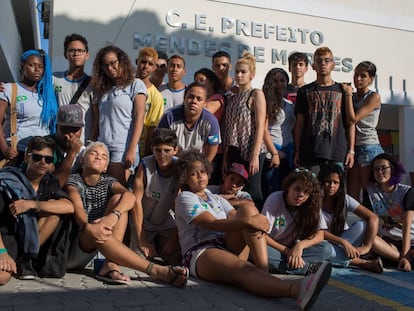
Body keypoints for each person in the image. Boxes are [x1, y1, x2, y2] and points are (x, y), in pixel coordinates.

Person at [175, 150, 332, 311]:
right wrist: (250, 221)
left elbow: (237, 216)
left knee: (248, 209)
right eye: (193, 174)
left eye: (202, 172)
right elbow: (214, 223)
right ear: (185, 178)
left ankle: (264, 272)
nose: (200, 176)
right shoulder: (185, 197)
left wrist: (252, 218)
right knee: (243, 269)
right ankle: (296, 290)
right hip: (201, 251)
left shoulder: (213, 196)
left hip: (225, 243)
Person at [65, 141, 188, 286]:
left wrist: (113, 215)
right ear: (82, 161)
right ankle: (155, 270)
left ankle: (111, 263)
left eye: (104, 156)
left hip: (102, 237)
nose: (99, 157)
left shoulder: (108, 181)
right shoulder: (73, 180)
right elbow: (78, 210)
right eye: (93, 154)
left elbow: (130, 196)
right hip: (77, 244)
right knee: (93, 229)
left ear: (106, 168)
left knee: (120, 199)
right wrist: (90, 227)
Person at [0, 136, 74, 280]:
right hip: (6, 237)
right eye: (37, 157)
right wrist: (2, 252)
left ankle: (24, 260)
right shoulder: (9, 181)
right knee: (2, 278)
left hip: (30, 242)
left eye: (48, 159)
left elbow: (69, 206)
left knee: (54, 212)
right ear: (27, 157)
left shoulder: (48, 182)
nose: (42, 162)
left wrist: (32, 204)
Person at [90, 45, 146, 186]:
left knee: (118, 192)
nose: (110, 68)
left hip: (122, 149)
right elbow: (97, 120)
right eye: (105, 65)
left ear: (121, 61)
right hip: (102, 148)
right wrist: (91, 144)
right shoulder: (101, 89)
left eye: (113, 63)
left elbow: (140, 118)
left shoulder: (135, 84)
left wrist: (132, 149)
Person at [294, 47, 355, 173]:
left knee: (335, 191)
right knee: (311, 191)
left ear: (333, 64)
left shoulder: (343, 90)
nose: (323, 64)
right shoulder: (304, 91)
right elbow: (299, 124)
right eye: (319, 61)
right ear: (313, 65)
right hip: (310, 153)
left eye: (327, 60)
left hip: (337, 152)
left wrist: (351, 151)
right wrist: (297, 151)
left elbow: (350, 123)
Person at [262, 168, 332, 275]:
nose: (301, 195)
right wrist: (288, 251)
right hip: (274, 247)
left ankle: (281, 265)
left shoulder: (311, 205)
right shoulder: (275, 199)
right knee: (258, 250)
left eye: (306, 192)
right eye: (297, 189)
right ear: (288, 187)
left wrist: (300, 246)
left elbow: (320, 234)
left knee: (326, 248)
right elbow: (263, 235)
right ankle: (306, 268)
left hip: (295, 248)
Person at [318, 163, 383, 273]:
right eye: (328, 182)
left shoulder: (344, 199)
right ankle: (362, 263)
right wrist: (344, 243)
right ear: (321, 182)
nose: (331, 186)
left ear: (340, 184)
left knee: (363, 225)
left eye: (335, 182)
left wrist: (367, 246)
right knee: (325, 250)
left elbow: (373, 218)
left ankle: (343, 256)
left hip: (343, 242)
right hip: (323, 243)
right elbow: (321, 233)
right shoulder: (315, 201)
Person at [222, 52, 266, 210]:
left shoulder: (256, 94)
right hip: (235, 150)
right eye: (237, 72)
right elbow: (229, 129)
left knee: (254, 191)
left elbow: (261, 125)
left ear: (251, 75)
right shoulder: (232, 97)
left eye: (243, 72)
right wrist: (226, 156)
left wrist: (254, 155)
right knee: (234, 190)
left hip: (251, 150)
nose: (239, 75)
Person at [0, 49, 58, 166]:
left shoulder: (46, 95)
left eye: (40, 67)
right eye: (32, 65)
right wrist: (4, 148)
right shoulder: (9, 89)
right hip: (17, 152)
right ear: (22, 66)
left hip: (42, 154)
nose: (37, 70)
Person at [132, 129, 181, 265]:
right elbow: (136, 202)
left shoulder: (180, 168)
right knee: (140, 259)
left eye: (167, 150)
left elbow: (182, 206)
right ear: (152, 149)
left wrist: (175, 238)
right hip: (143, 222)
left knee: (175, 258)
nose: (162, 155)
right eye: (158, 150)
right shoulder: (145, 165)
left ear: (175, 150)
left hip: (165, 221)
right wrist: (142, 239)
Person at [364, 153, 414, 272]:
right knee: (372, 240)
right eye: (376, 169)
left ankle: (403, 259)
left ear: (393, 169)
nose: (379, 172)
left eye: (383, 168)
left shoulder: (407, 192)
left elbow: (406, 226)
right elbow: (370, 221)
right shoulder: (370, 192)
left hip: (410, 240)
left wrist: (406, 254)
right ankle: (403, 261)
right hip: (389, 243)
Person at [342, 61, 384, 201]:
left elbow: (353, 119)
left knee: (371, 194)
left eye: (363, 76)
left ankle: (377, 222)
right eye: (356, 75)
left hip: (369, 146)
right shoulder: (353, 96)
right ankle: (356, 223)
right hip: (353, 147)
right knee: (351, 195)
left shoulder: (373, 97)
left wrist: (347, 95)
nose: (358, 79)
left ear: (371, 79)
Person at [157, 82, 220, 162]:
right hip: (171, 161)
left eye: (199, 99)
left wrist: (203, 167)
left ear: (205, 103)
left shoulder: (211, 121)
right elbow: (158, 143)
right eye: (191, 97)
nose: (194, 101)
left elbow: (213, 149)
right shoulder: (169, 116)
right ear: (184, 97)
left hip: (196, 162)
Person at [53, 33, 94, 143]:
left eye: (81, 51)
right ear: (65, 54)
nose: (76, 54)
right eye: (72, 50)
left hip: (83, 143)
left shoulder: (93, 84)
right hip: (59, 141)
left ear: (87, 55)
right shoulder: (54, 79)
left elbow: (97, 116)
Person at [262, 68, 296, 198]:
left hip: (288, 152)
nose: (279, 84)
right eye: (275, 81)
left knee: (287, 193)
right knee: (272, 193)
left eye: (282, 80)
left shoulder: (289, 104)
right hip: (272, 152)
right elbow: (263, 129)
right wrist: (274, 153)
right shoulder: (266, 103)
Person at [194, 67, 225, 184]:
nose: (198, 84)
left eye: (201, 80)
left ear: (211, 82)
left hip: (213, 149)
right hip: (199, 148)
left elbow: (204, 112)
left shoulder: (217, 98)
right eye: (196, 81)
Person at [135, 47, 164, 157]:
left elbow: (152, 130)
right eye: (143, 62)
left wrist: (145, 156)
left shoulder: (156, 96)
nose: (145, 66)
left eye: (150, 64)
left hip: (138, 149)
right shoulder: (124, 87)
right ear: (137, 62)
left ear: (154, 68)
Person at [51, 105, 85, 187]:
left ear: (81, 130)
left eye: (75, 130)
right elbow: (55, 186)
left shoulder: (84, 152)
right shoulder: (45, 146)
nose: (71, 134)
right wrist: (72, 153)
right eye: (66, 129)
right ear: (56, 128)